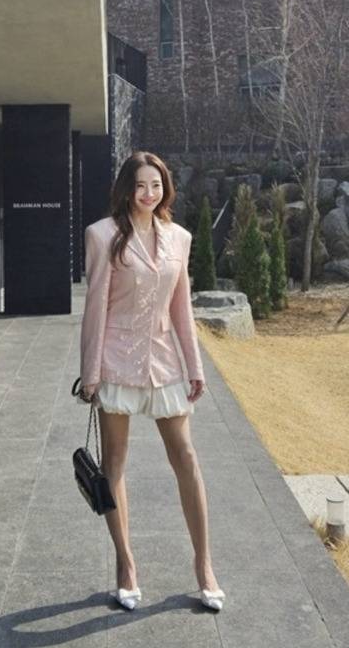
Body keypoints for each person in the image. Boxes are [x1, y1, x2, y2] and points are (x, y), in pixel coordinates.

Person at [77, 151, 226, 612]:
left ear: (165, 189)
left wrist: (195, 367)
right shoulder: (102, 235)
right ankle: (126, 565)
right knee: (114, 463)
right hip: (116, 359)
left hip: (164, 361)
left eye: (156, 185)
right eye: (141, 185)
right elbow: (95, 308)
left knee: (186, 456)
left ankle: (204, 567)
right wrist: (90, 374)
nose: (148, 193)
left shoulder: (179, 237)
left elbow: (182, 308)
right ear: (127, 188)